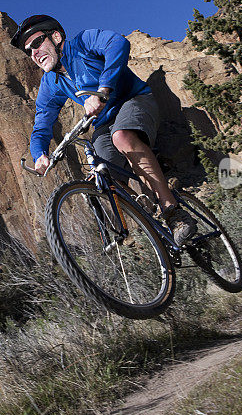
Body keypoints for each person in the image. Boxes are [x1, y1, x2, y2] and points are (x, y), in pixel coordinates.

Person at [11, 14, 196, 246]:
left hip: (134, 99)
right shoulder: (51, 83)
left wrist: (103, 88)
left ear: (56, 37)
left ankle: (174, 214)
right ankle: (148, 226)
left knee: (122, 137)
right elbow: (42, 123)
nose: (34, 54)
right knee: (102, 177)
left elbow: (117, 43)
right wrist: (39, 154)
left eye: (37, 44)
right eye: (29, 51)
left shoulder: (83, 42)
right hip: (104, 123)